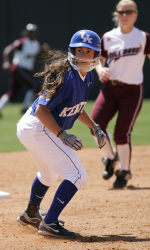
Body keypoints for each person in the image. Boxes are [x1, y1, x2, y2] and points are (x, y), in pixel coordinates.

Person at [16, 30, 106, 237]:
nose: (83, 55)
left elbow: (77, 107)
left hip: (33, 128)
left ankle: (31, 213)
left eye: (88, 52)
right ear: (72, 52)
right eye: (79, 51)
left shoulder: (88, 77)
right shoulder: (64, 75)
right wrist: (62, 135)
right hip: (38, 125)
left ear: (95, 55)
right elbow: (41, 110)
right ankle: (50, 223)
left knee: (49, 173)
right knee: (77, 174)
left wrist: (94, 126)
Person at [91, 0, 150, 188]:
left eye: (129, 11)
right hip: (110, 89)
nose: (124, 15)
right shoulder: (107, 37)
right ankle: (110, 157)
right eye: (121, 12)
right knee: (95, 125)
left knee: (121, 133)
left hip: (132, 91)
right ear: (116, 14)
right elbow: (98, 60)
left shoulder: (143, 37)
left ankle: (124, 171)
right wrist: (99, 70)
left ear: (135, 15)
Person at [0, 23, 48, 116]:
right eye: (30, 32)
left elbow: (38, 58)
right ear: (26, 33)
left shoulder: (36, 44)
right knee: (35, 85)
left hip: (25, 70)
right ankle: (25, 108)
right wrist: (6, 62)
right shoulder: (22, 42)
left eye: (33, 32)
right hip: (18, 68)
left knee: (12, 94)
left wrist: (43, 52)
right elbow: (7, 50)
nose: (32, 34)